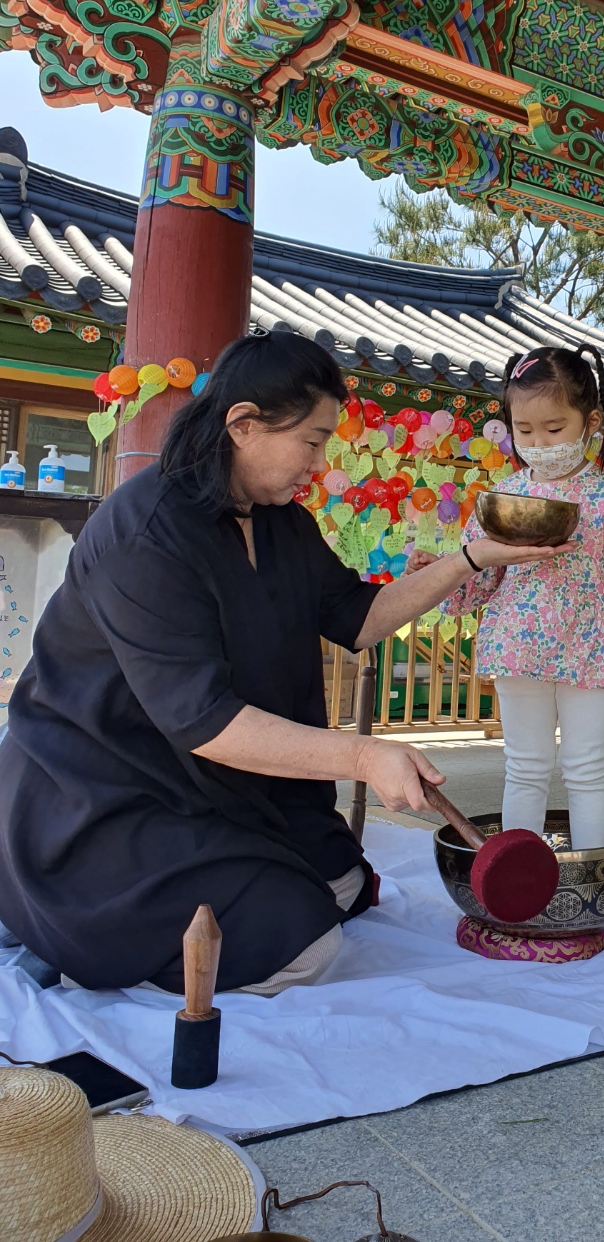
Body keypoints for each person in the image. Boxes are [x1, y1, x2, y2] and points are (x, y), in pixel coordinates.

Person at [0, 333, 571, 995]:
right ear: (243, 424)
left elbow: (358, 617)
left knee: (347, 884)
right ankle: (64, 935)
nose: (320, 463)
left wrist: (474, 558)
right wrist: (363, 757)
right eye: (312, 441)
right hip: (106, 793)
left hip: (218, 786)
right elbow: (204, 721)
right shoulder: (146, 534)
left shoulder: (280, 522)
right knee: (305, 943)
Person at [418, 344, 604, 851]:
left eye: (553, 429)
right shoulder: (501, 496)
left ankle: (591, 874)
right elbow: (480, 575)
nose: (539, 443)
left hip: (595, 645)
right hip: (520, 645)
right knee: (524, 767)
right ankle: (518, 875)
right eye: (524, 431)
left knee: (587, 769)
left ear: (590, 422)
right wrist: (440, 572)